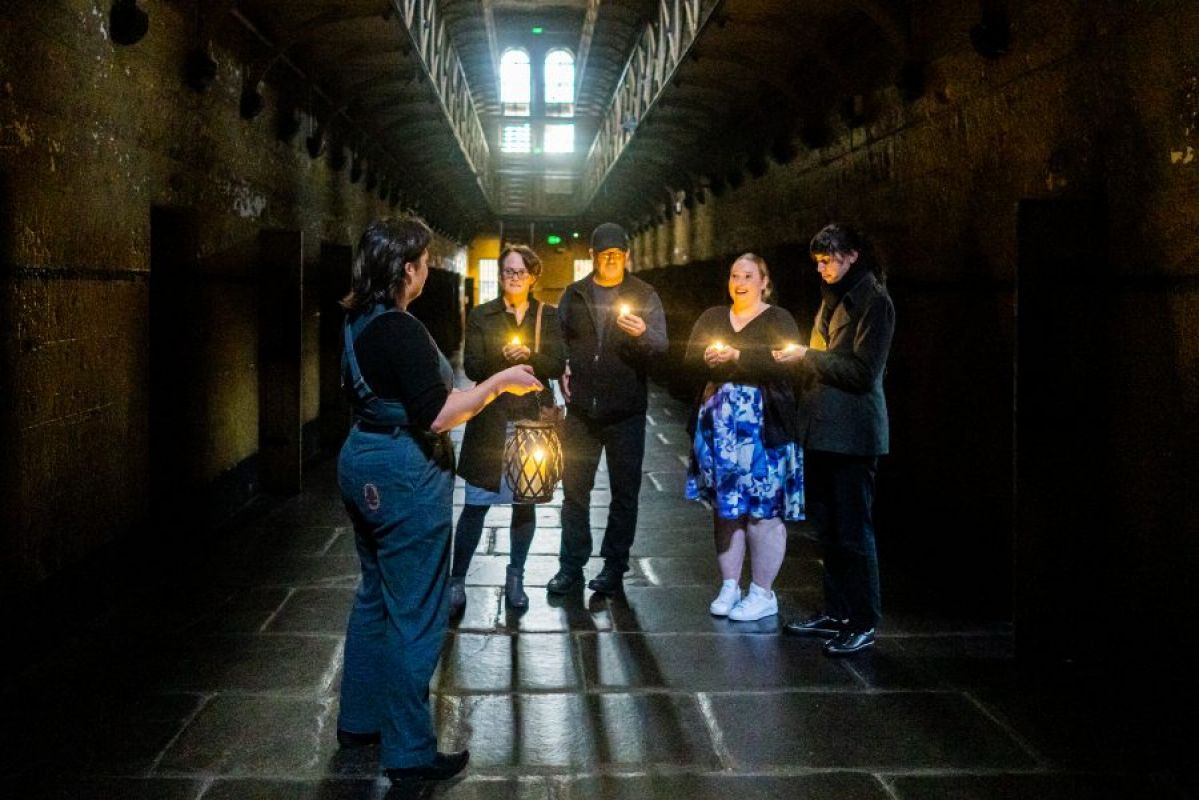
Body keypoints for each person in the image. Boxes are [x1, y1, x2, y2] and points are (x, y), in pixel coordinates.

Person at [335, 218, 542, 785]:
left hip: (361, 459)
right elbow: (439, 413)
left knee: (374, 595)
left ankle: (358, 720)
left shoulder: (357, 318)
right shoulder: (399, 328)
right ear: (408, 269)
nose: (428, 268)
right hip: (403, 472)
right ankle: (408, 752)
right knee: (416, 612)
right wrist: (498, 384)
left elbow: (399, 392)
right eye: (424, 260)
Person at [773, 223, 895, 656]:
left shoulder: (874, 303)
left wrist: (808, 356)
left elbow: (864, 372)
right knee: (828, 530)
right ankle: (838, 612)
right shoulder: (832, 301)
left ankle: (863, 620)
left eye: (829, 259)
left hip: (854, 435)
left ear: (852, 256)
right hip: (824, 431)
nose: (822, 268)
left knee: (854, 531)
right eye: (819, 261)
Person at [546, 222, 668, 596]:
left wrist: (640, 334)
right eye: (605, 255)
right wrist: (562, 364)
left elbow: (661, 346)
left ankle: (614, 568)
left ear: (627, 256)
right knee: (575, 492)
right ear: (593, 257)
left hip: (626, 411)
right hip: (582, 410)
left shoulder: (644, 294)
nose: (612, 260)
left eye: (618, 255)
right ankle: (571, 567)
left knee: (624, 494)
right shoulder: (576, 293)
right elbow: (558, 339)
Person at [684, 254, 805, 621]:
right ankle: (729, 585)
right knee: (726, 510)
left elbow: (788, 363)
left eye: (748, 275)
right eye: (735, 274)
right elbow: (688, 360)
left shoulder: (777, 318)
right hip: (719, 429)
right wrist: (708, 358)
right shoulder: (713, 317)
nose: (740, 281)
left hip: (763, 429)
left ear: (764, 281)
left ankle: (763, 593)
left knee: (763, 513)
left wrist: (739, 358)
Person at [450, 244, 566, 614]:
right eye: (507, 272)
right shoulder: (484, 314)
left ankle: (515, 577)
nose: (513, 278)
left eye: (519, 272)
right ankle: (456, 580)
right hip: (490, 421)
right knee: (475, 505)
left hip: (529, 422)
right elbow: (471, 365)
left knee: (524, 503)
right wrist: (504, 360)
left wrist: (529, 357)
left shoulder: (546, 317)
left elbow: (556, 360)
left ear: (533, 276)